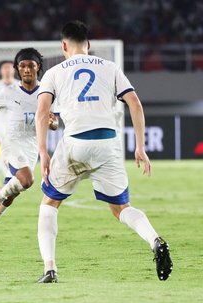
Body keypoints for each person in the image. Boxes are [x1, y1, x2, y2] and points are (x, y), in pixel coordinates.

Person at [35, 20, 172, 283]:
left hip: (74, 144)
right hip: (108, 144)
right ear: (88, 45)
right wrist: (140, 147)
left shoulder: (54, 72)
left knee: (49, 204)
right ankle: (155, 240)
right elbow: (134, 102)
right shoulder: (110, 67)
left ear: (64, 45)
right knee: (121, 208)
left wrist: (43, 151)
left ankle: (50, 269)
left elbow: (42, 113)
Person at [0, 48, 58, 249]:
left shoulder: (47, 92)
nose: (27, 69)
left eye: (31, 65)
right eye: (22, 66)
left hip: (31, 147)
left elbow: (55, 121)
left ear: (37, 67)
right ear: (17, 69)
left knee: (10, 196)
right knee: (27, 179)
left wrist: (52, 122)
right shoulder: (9, 92)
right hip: (12, 144)